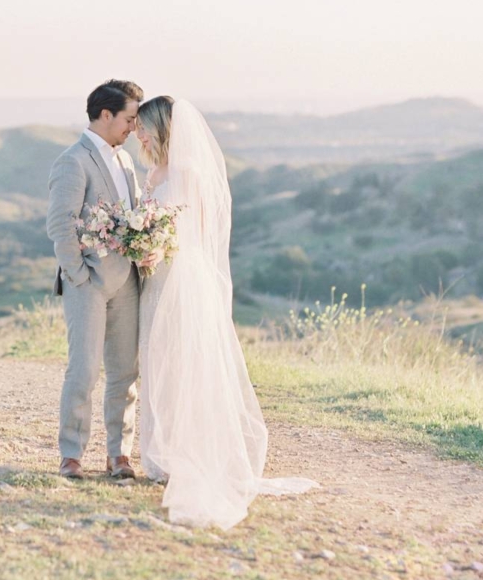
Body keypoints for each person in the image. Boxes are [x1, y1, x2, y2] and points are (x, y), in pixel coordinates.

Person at [134, 96, 317, 529]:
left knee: (187, 363)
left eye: (143, 127)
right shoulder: (153, 172)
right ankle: (163, 452)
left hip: (182, 274)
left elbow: (194, 230)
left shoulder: (189, 173)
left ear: (161, 128)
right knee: (158, 361)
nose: (137, 134)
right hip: (155, 279)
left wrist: (159, 244)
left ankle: (193, 456)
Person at [45, 80, 146, 480]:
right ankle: (71, 454)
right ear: (105, 115)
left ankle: (118, 455)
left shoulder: (125, 161)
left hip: (128, 282)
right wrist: (79, 275)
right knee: (83, 371)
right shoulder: (73, 160)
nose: (134, 128)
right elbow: (59, 224)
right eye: (129, 118)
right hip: (88, 282)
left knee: (125, 373)